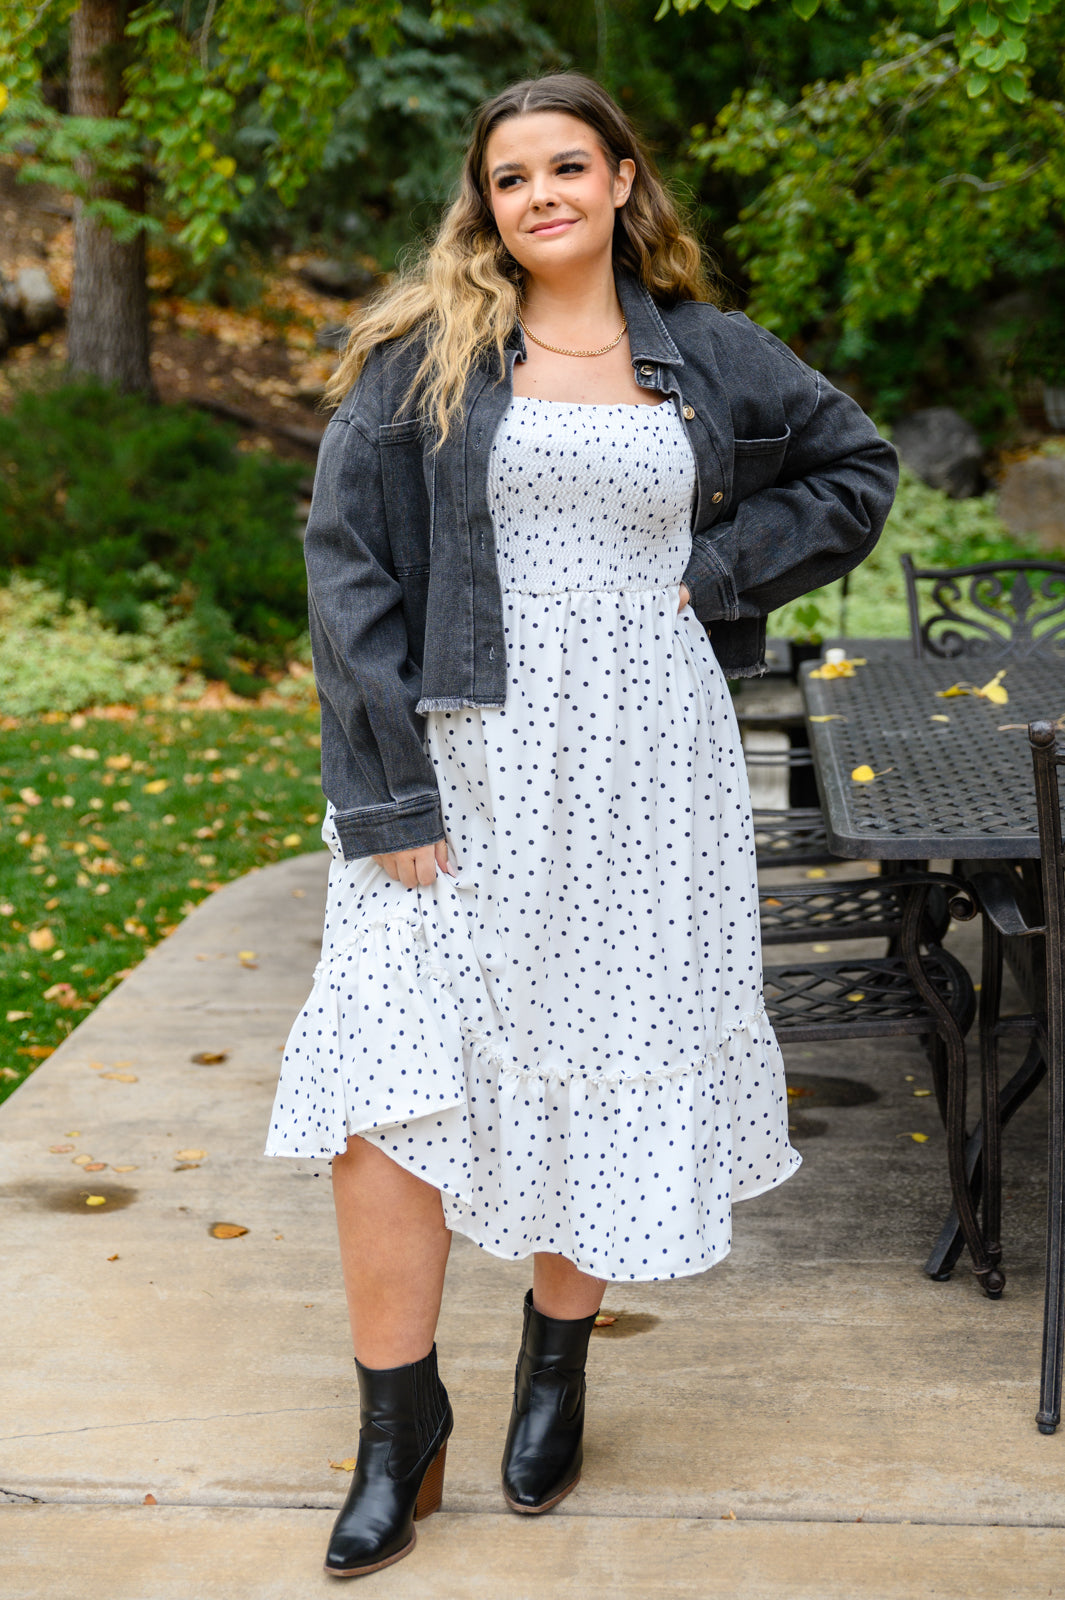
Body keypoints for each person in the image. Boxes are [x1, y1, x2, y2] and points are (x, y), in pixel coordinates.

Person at [265, 72, 898, 1579]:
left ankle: (557, 1363)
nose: (538, 194)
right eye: (508, 177)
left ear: (621, 181)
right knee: (386, 1084)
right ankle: (395, 1423)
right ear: (481, 205)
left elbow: (855, 468)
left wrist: (724, 565)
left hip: (646, 765)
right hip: (459, 765)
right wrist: (387, 793)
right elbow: (346, 571)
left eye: (566, 166)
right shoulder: (424, 356)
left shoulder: (708, 355)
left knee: (609, 1049)